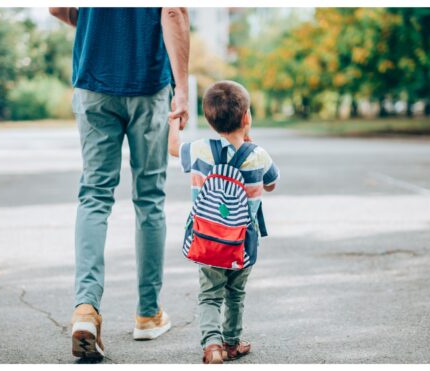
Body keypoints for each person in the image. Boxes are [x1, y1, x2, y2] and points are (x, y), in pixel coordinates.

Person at [48, 7, 190, 359]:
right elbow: (172, 12)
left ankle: (85, 309)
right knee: (149, 198)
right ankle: (147, 314)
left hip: (94, 78)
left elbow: (57, 7)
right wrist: (183, 88)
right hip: (148, 82)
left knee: (94, 196)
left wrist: (100, 24)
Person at [168, 81, 280, 364]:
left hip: (206, 239)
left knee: (209, 294)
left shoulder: (199, 150)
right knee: (235, 293)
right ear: (246, 118)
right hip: (243, 242)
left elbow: (172, 150)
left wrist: (174, 121)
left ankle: (212, 345)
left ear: (209, 120)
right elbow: (272, 185)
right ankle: (231, 342)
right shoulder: (259, 155)